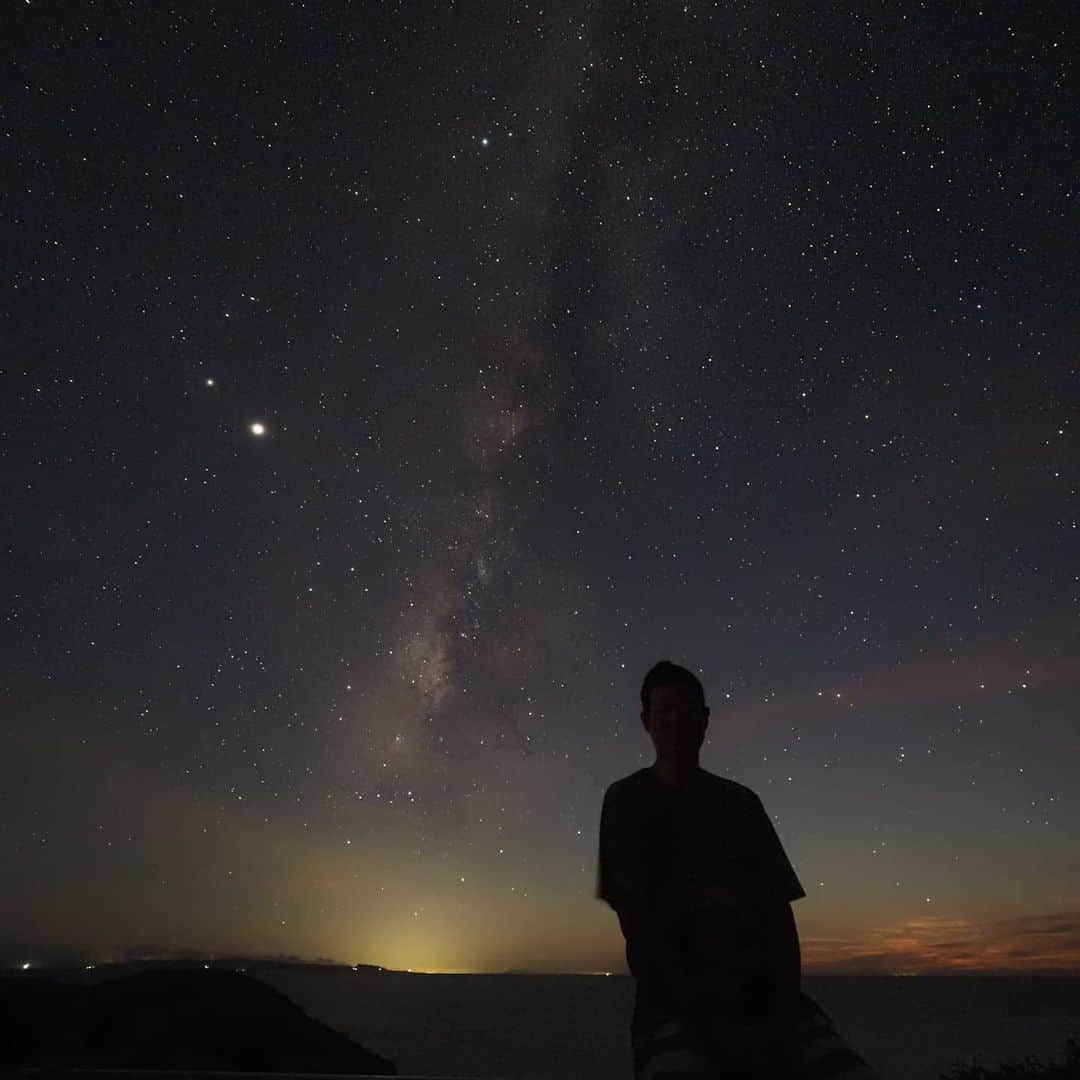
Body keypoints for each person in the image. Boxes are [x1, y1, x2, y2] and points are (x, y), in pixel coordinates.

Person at [596, 660, 805, 1079]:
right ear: (646, 721)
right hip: (671, 1005)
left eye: (688, 711)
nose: (676, 722)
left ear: (705, 719)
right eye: (664, 712)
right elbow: (638, 922)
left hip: (763, 998)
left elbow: (779, 918)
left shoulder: (742, 803)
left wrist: (783, 1005)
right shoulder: (625, 801)